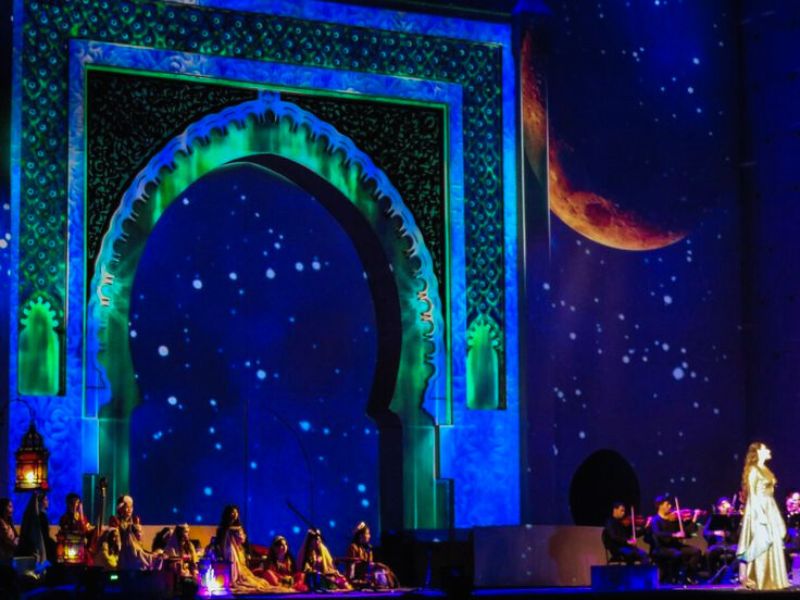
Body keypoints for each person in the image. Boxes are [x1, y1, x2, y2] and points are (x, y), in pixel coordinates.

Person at [736, 442, 789, 590]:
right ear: (758, 451)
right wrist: (760, 515)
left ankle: (771, 578)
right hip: (759, 508)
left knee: (772, 541)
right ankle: (747, 575)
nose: (769, 450)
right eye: (765, 448)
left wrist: (774, 515)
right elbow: (753, 495)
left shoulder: (765, 469)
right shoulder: (753, 470)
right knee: (761, 541)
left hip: (770, 506)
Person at [217, 505, 286, 593]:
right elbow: (221, 541)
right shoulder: (223, 529)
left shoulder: (239, 527)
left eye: (236, 512)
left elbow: (246, 543)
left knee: (258, 582)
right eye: (232, 512)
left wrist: (248, 553)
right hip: (229, 553)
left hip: (240, 556)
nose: (235, 514)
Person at [649, 495, 702, 584]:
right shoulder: (655, 520)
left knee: (696, 551)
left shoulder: (673, 519)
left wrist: (694, 519)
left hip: (675, 546)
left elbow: (686, 532)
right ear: (660, 506)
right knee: (677, 554)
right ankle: (673, 578)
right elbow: (658, 534)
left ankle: (689, 576)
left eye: (670, 504)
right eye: (667, 504)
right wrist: (674, 535)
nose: (670, 506)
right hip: (662, 548)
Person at [345, 522, 399, 588]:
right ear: (361, 536)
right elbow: (352, 567)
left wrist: (378, 565)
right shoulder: (353, 547)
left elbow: (370, 564)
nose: (369, 536)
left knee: (384, 570)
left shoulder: (368, 548)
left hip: (367, 576)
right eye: (367, 533)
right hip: (357, 577)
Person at [110, 495, 155, 570]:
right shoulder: (115, 520)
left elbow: (139, 542)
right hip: (123, 553)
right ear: (120, 508)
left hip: (136, 551)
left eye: (131, 507)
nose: (130, 510)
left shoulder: (134, 520)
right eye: (127, 507)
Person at [702, 497, 738, 578]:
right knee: (709, 553)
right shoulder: (714, 518)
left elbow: (737, 534)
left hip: (730, 544)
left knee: (741, 553)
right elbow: (705, 532)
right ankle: (713, 576)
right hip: (717, 545)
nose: (725, 507)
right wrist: (715, 532)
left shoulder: (733, 517)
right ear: (719, 507)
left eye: (727, 504)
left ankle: (731, 575)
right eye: (723, 505)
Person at [17, 491, 56, 564]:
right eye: (45, 500)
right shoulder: (41, 516)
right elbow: (43, 535)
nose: (47, 502)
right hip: (38, 547)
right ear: (39, 502)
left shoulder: (32, 515)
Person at [56, 492, 94, 564]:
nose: (74, 505)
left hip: (80, 545)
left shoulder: (82, 517)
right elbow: (64, 531)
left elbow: (86, 530)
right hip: (68, 546)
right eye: (72, 503)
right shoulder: (64, 518)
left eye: (76, 503)